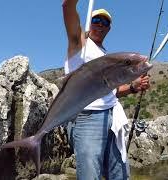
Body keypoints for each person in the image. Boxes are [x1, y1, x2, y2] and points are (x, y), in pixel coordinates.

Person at [62, 0, 150, 179]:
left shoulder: (104, 55)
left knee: (120, 174)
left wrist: (133, 87)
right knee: (90, 175)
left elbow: (109, 91)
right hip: (88, 117)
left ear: (109, 28)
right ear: (89, 23)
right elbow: (67, 7)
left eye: (105, 22)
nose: (100, 25)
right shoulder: (79, 44)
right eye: (96, 20)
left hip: (113, 117)